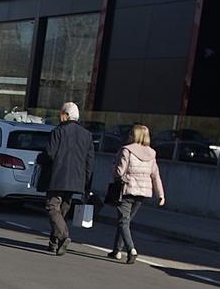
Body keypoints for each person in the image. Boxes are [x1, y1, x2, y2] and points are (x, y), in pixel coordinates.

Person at [41, 100, 96, 254]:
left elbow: (49, 154)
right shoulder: (87, 135)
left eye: (61, 114)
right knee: (63, 210)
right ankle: (54, 242)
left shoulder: (58, 132)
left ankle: (64, 236)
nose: (59, 117)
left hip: (57, 176)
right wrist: (87, 183)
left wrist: (40, 160)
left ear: (66, 116)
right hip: (77, 179)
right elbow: (90, 161)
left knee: (52, 207)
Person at [108, 123, 166, 262]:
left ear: (135, 136)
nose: (128, 136)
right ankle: (117, 250)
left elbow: (119, 172)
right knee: (125, 221)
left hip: (127, 189)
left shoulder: (126, 150)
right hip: (143, 193)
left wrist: (113, 167)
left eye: (131, 134)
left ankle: (131, 249)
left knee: (123, 221)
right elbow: (155, 175)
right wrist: (161, 195)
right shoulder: (151, 153)